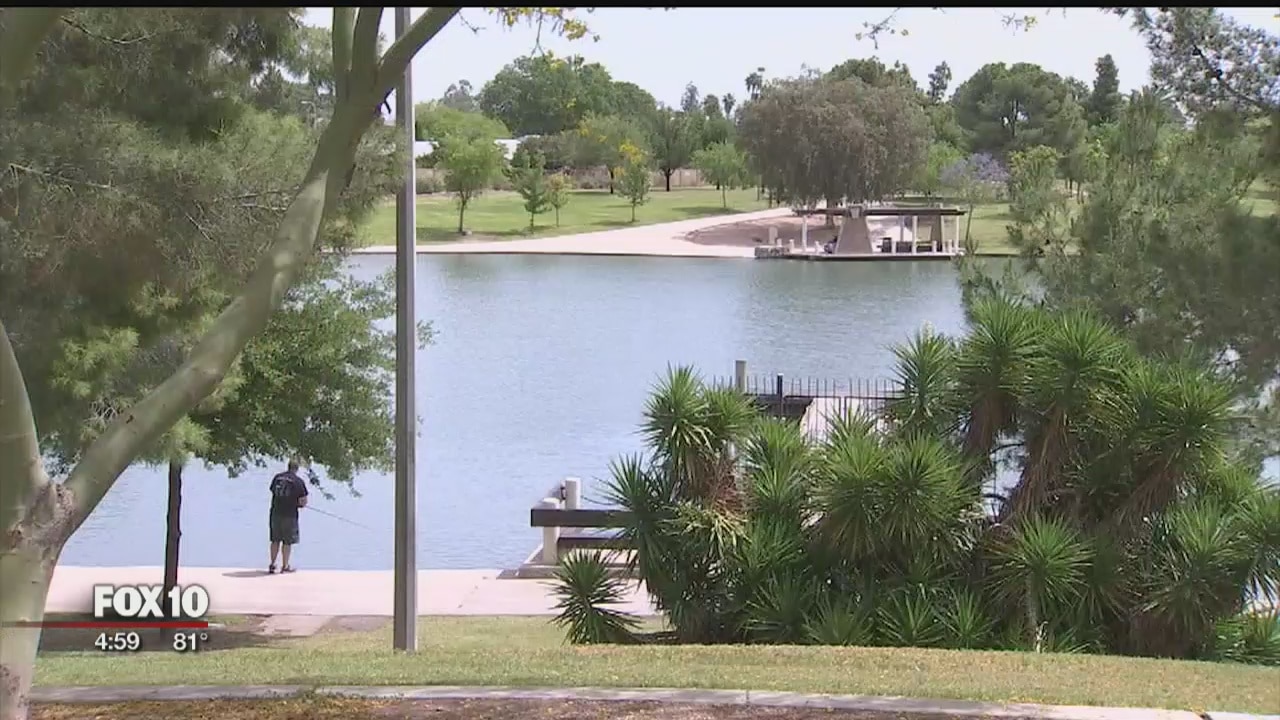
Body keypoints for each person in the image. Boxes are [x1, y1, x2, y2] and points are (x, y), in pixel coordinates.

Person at [267, 460, 309, 574]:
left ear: (288, 467)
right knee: (287, 542)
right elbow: (303, 501)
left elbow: (273, 491)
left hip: (275, 513)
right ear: (297, 469)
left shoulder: (277, 478)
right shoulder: (298, 481)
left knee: (275, 540)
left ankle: (272, 564)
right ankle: (285, 566)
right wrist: (299, 505)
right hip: (290, 515)